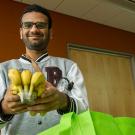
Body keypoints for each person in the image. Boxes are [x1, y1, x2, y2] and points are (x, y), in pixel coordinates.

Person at [0, 4, 88, 135]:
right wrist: (3, 109)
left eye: (40, 25)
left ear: (51, 33)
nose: (34, 29)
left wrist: (64, 101)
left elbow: (85, 110)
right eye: (28, 25)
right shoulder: (3, 69)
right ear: (20, 33)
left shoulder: (70, 67)